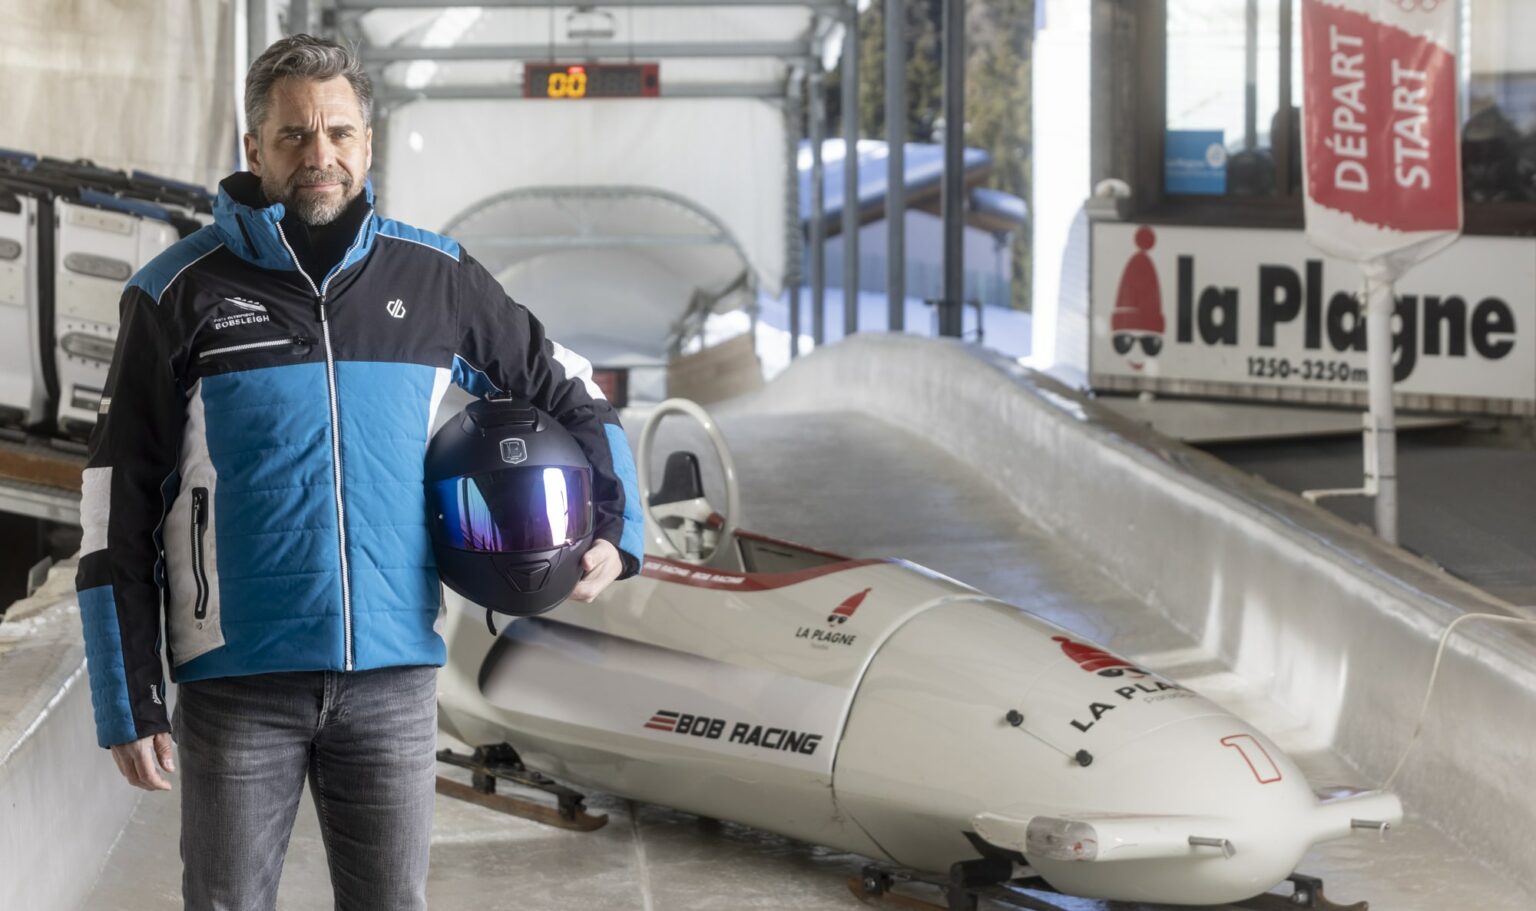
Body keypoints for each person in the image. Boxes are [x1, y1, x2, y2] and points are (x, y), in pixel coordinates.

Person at [73, 34, 645, 910]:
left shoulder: (434, 277)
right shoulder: (173, 293)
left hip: (391, 680)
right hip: (237, 682)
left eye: (340, 132)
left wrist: (616, 524)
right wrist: (131, 696)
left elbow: (569, 386)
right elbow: (114, 508)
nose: (320, 155)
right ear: (254, 148)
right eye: (295, 135)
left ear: (368, 144)